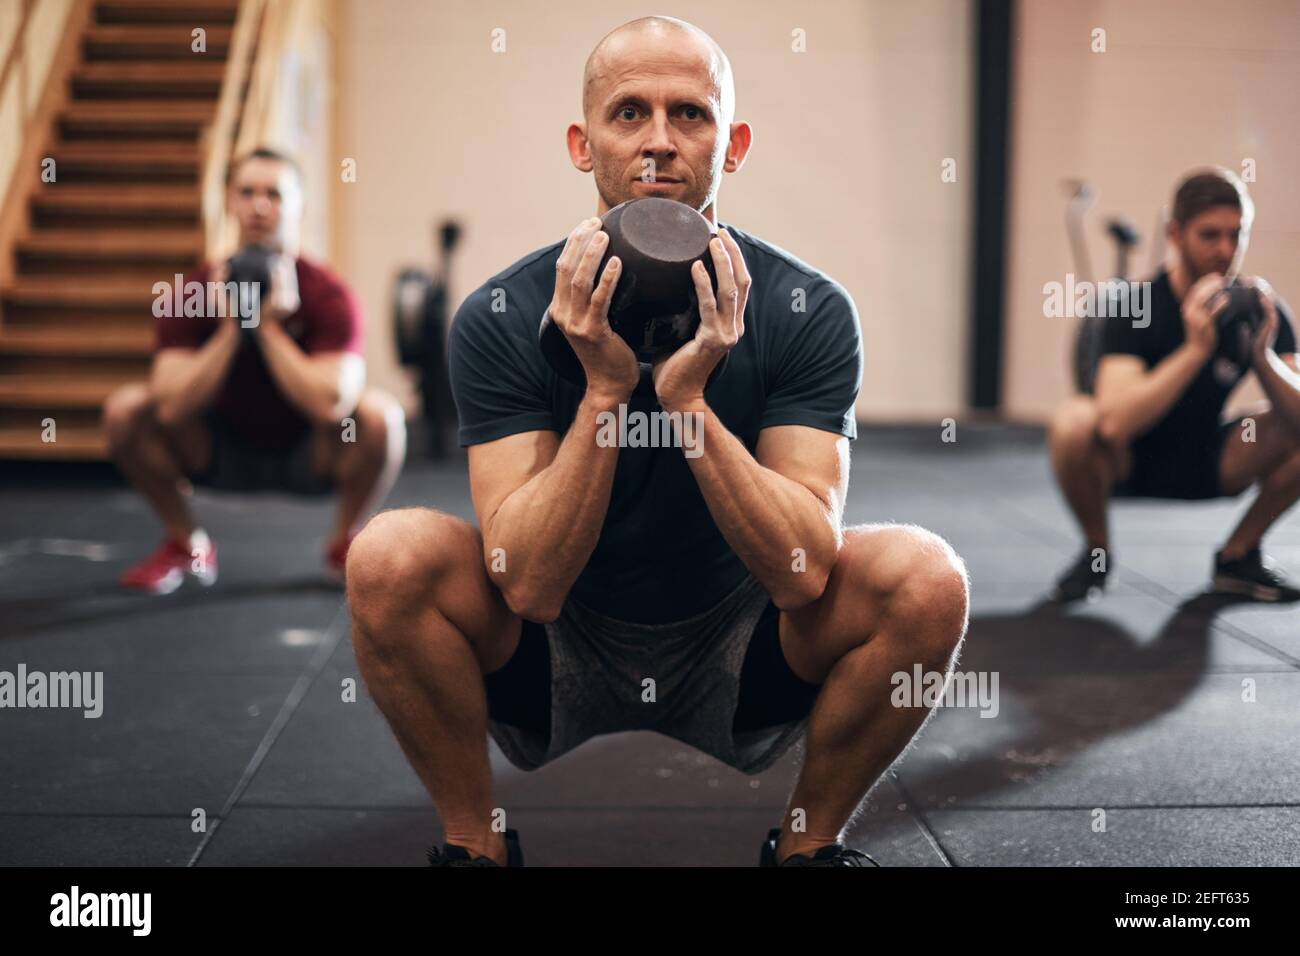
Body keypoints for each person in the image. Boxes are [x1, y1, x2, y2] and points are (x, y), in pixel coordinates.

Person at [346, 17, 969, 867]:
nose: (660, 143)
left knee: (926, 581)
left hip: (744, 641)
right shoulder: (499, 316)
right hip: (557, 640)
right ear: (582, 141)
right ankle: (474, 847)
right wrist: (605, 390)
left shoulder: (806, 309)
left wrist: (686, 402)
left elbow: (806, 568)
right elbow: (525, 584)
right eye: (629, 113)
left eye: (692, 115)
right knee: (388, 557)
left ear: (735, 143)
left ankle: (809, 847)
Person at [103, 148, 406, 593]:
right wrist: (233, 326)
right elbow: (168, 407)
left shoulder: (328, 294)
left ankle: (343, 543)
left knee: (383, 418)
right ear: (229, 202)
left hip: (310, 454)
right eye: (246, 192)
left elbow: (330, 404)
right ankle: (186, 544)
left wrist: (264, 327)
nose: (259, 205)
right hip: (215, 450)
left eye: (274, 194)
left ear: (299, 206)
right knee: (124, 411)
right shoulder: (190, 291)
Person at [1049, 167, 1300, 603]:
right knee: (1074, 421)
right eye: (1210, 235)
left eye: (1236, 235)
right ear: (1175, 232)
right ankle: (1097, 552)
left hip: (1211, 460)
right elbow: (1113, 425)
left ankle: (1238, 557)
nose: (1225, 250)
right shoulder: (1136, 305)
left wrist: (1262, 357)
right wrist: (1195, 351)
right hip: (1128, 464)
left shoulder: (1257, 309)